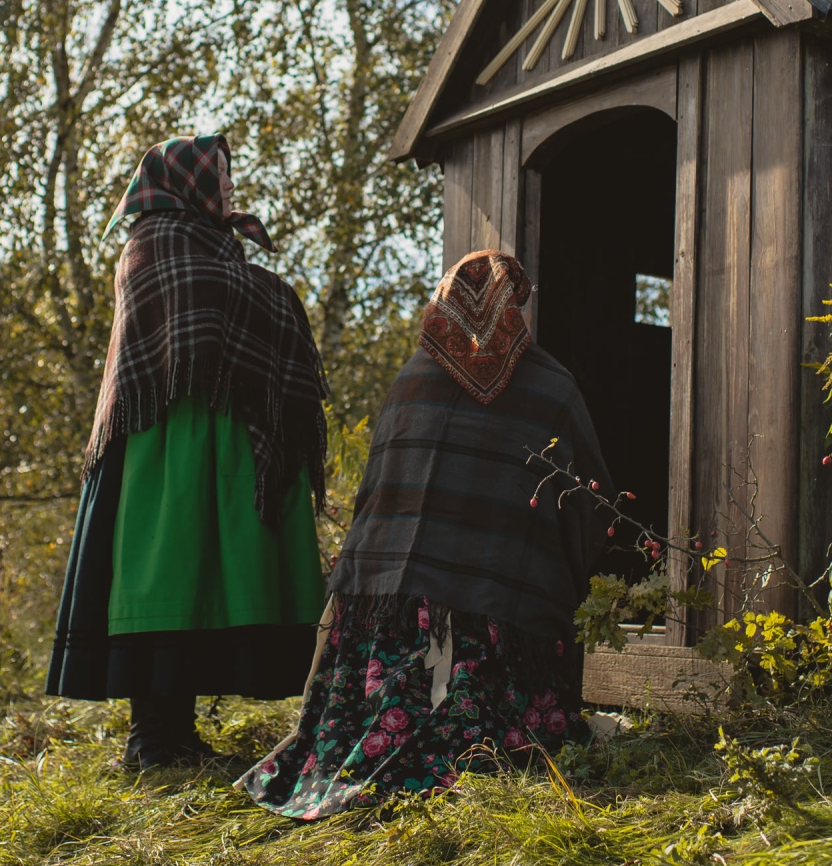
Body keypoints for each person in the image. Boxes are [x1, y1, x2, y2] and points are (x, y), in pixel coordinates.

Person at [238, 250, 614, 818]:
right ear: (514, 308)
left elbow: (373, 498)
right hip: (497, 615)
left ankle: (370, 739)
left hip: (385, 612)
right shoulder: (552, 386)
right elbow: (591, 502)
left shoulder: (410, 379)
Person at [45, 134, 329, 770]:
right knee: (166, 578)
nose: (229, 187)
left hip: (214, 434)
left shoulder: (213, 245)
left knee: (199, 580)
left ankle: (176, 737)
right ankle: (151, 740)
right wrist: (275, 295)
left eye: (228, 175)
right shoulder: (155, 243)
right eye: (218, 175)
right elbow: (205, 300)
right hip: (163, 442)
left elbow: (230, 297)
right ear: (184, 183)